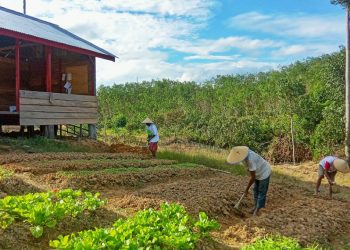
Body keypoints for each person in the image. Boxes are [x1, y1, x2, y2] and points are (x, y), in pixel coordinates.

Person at [227, 146, 271, 216]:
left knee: (261, 192)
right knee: (255, 190)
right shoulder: (244, 155)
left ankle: (257, 210)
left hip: (264, 172)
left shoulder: (250, 159)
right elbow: (251, 170)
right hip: (257, 171)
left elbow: (252, 177)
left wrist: (246, 190)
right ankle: (255, 207)